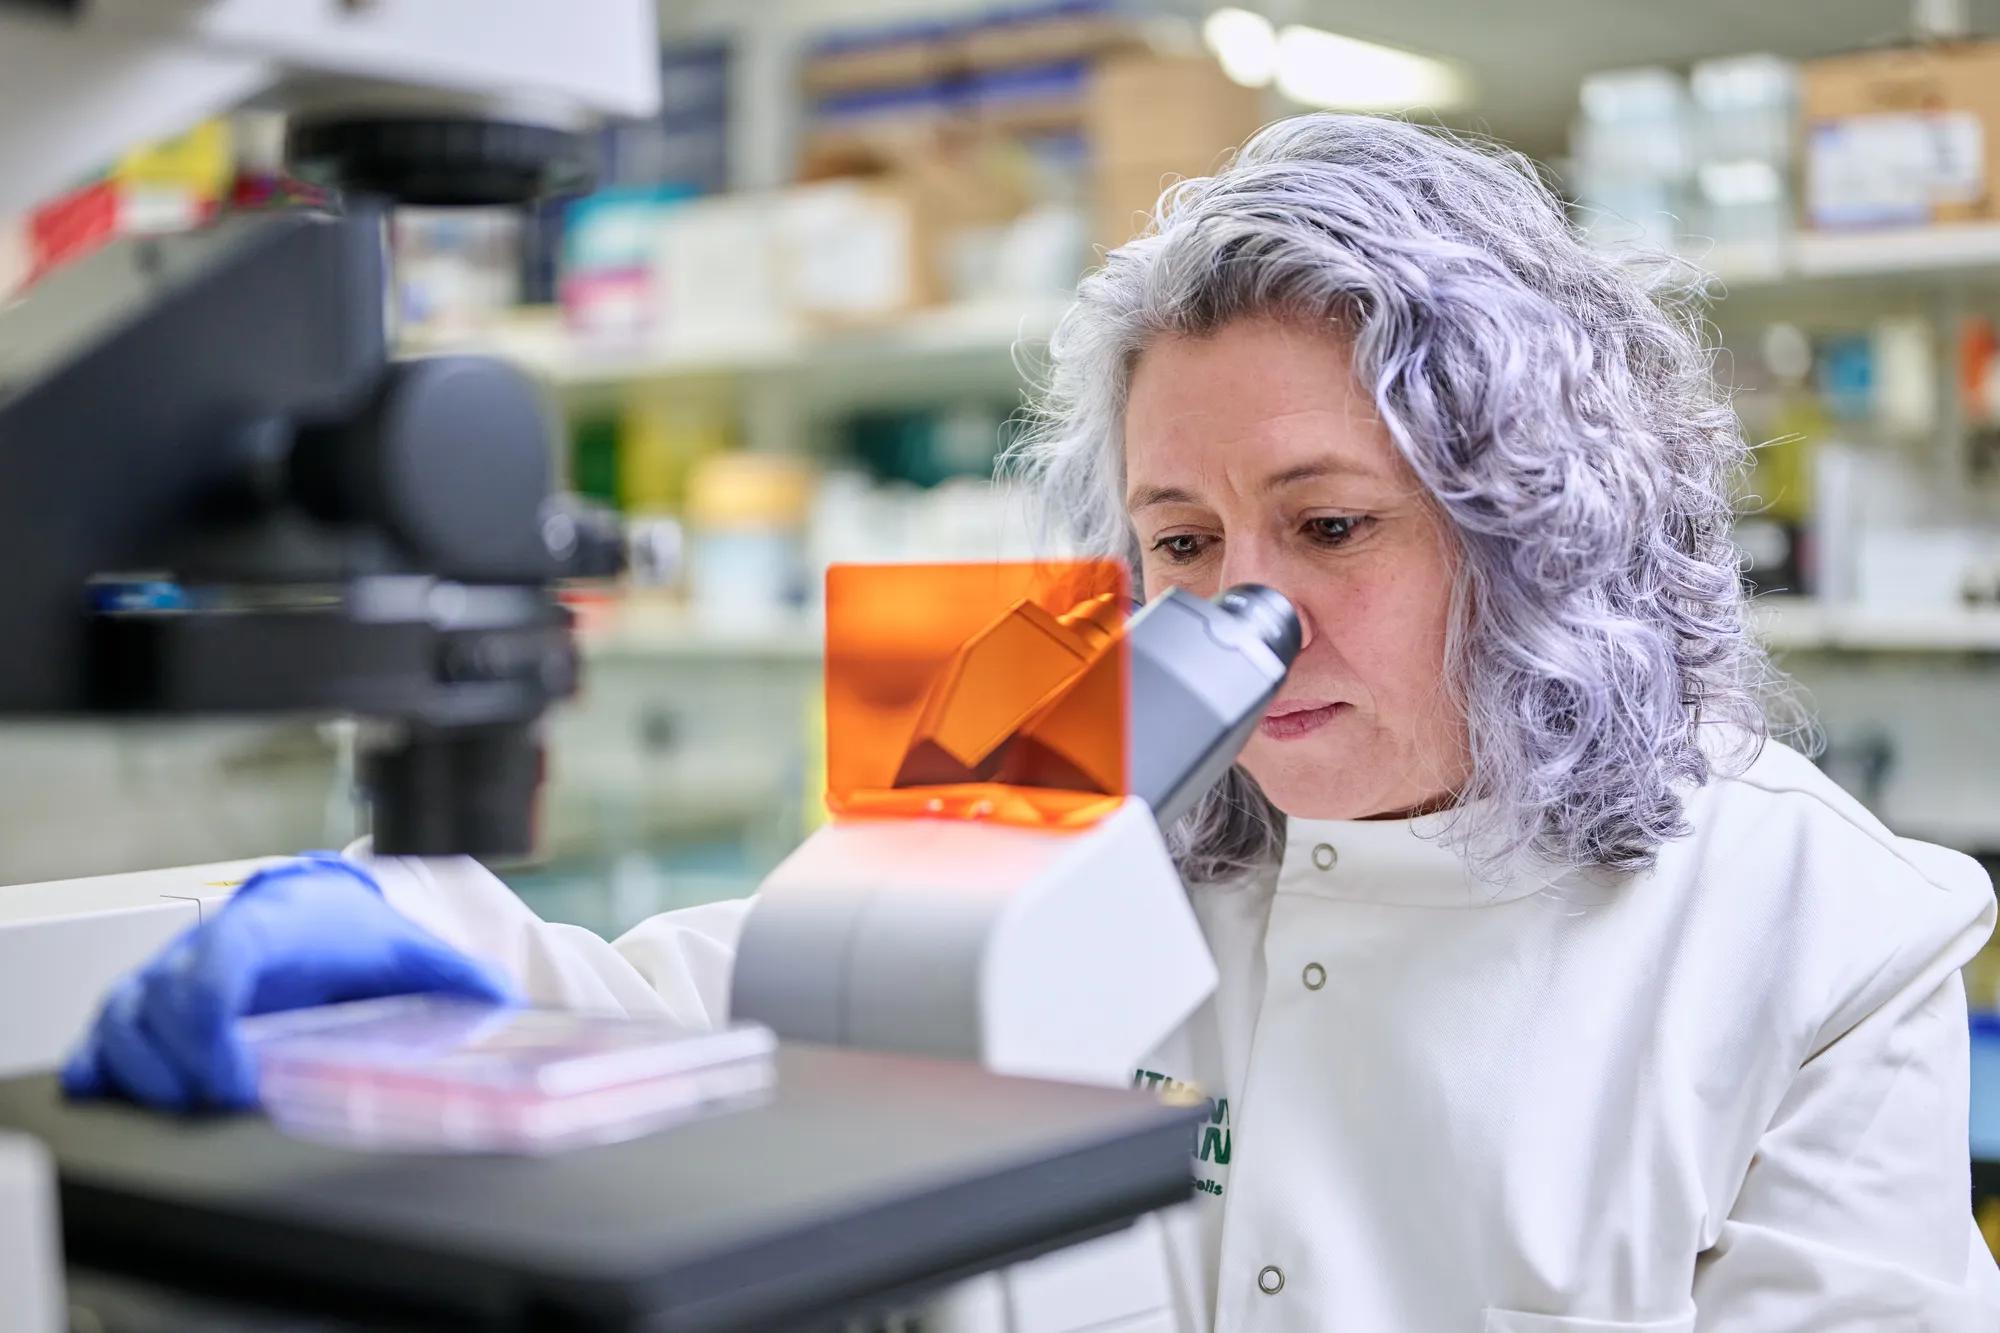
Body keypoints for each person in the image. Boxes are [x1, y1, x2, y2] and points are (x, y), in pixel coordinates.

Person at [65, 114, 2000, 1330]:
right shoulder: (1080, 751)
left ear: (1534, 530)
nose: (1238, 609)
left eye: (1329, 524)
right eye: (1178, 538)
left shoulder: (1824, 935)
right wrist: (391, 942)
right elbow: (706, 1007)